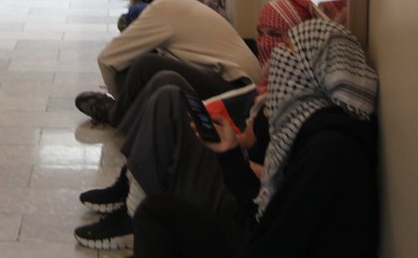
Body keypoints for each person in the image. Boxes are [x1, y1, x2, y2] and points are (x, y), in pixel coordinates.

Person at [73, 0, 316, 249]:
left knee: (163, 90)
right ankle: (130, 186)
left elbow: (282, 184)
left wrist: (237, 156)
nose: (266, 43)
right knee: (166, 86)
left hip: (243, 205)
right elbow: (254, 137)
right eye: (261, 34)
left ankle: (133, 212)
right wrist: (237, 141)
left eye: (277, 35)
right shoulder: (276, 88)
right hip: (236, 170)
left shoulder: (308, 113)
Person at [130, 18, 379, 257]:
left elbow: (274, 244)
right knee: (161, 214)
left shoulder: (328, 152)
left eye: (290, 50)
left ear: (312, 73)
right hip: (266, 240)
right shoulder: (319, 134)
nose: (280, 55)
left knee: (156, 216)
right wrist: (230, 154)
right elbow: (265, 215)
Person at [74, 0, 261, 127]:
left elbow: (107, 60)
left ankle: (115, 115)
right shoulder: (178, 8)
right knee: (150, 70)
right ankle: (132, 113)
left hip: (238, 92)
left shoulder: (159, 13)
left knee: (145, 65)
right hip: (244, 88)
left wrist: (119, 100)